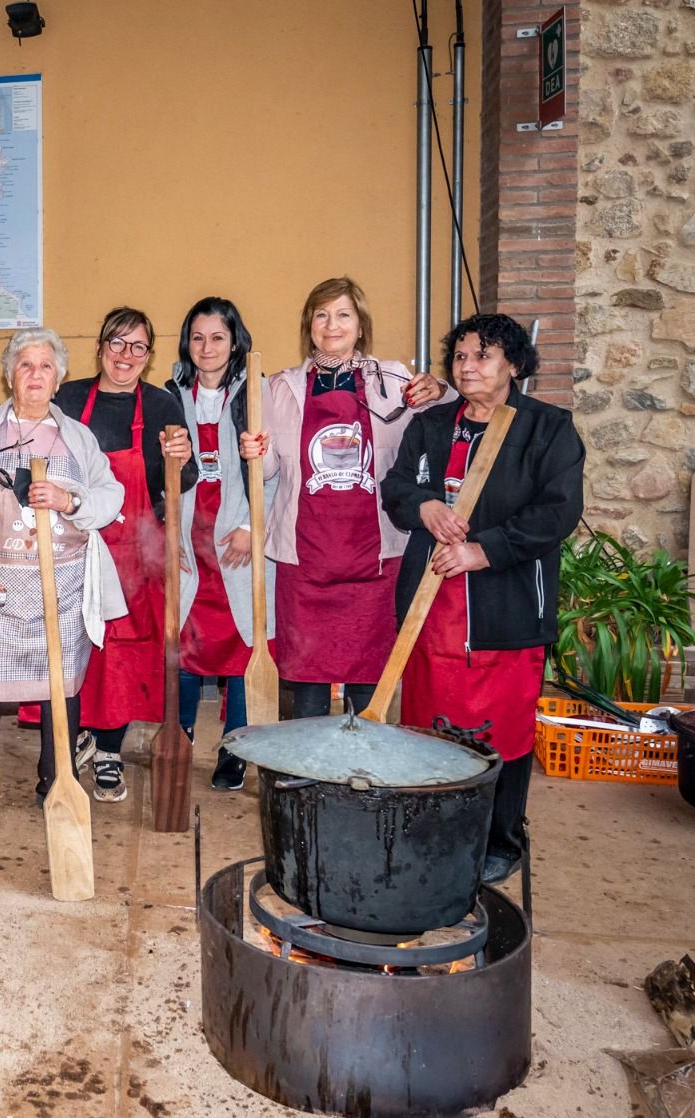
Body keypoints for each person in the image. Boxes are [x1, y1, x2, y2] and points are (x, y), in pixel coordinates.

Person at [383, 312, 584, 885]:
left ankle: (500, 838)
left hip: (506, 610)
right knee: (429, 729)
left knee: (504, 733)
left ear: (513, 365)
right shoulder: (431, 425)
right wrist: (423, 506)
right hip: (431, 611)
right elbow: (396, 487)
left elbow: (556, 512)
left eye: (484, 356)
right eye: (461, 357)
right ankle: (432, 831)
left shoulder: (548, 428)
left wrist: (484, 549)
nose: (468, 367)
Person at [0, 328, 128, 832]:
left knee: (60, 691)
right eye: (24, 365)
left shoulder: (78, 439)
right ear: (9, 374)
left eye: (45, 366)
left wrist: (69, 502)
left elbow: (112, 496)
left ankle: (55, 781)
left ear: (58, 377)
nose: (35, 375)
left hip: (60, 592)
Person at [239, 276, 447, 720]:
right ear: (309, 325)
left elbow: (448, 423)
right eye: (321, 315)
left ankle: (360, 778)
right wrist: (254, 453)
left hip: (375, 560)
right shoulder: (279, 388)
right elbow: (271, 468)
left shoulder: (395, 379)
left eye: (343, 315)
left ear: (360, 324)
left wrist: (441, 390)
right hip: (305, 559)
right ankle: (307, 779)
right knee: (306, 680)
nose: (331, 325)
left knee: (368, 678)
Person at [14, 308, 195, 804]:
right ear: (100, 348)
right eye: (117, 343)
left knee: (124, 652)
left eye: (138, 347)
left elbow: (186, 477)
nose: (126, 355)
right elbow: (24, 423)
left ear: (149, 355)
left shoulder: (162, 405)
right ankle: (73, 737)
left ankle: (110, 749)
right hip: (74, 541)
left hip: (134, 549)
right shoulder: (69, 398)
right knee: (74, 644)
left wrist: (178, 458)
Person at [165, 297, 276, 791]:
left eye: (217, 337)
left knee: (242, 644)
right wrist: (168, 533)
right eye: (198, 337)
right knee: (186, 643)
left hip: (237, 538)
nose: (206, 347)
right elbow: (156, 471)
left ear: (235, 341)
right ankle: (179, 734)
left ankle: (236, 745)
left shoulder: (259, 391)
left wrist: (255, 528)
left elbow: (279, 471)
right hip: (189, 539)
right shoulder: (170, 393)